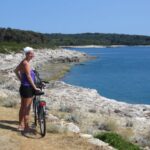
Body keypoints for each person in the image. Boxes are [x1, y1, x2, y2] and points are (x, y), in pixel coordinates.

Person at [14, 47, 41, 131]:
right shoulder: (26, 63)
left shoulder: (24, 62)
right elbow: (29, 77)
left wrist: (21, 79)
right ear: (27, 54)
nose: (33, 55)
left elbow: (15, 71)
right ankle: (26, 127)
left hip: (24, 87)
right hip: (28, 88)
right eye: (31, 53)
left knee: (23, 107)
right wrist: (35, 87)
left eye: (33, 53)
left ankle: (21, 125)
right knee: (27, 108)